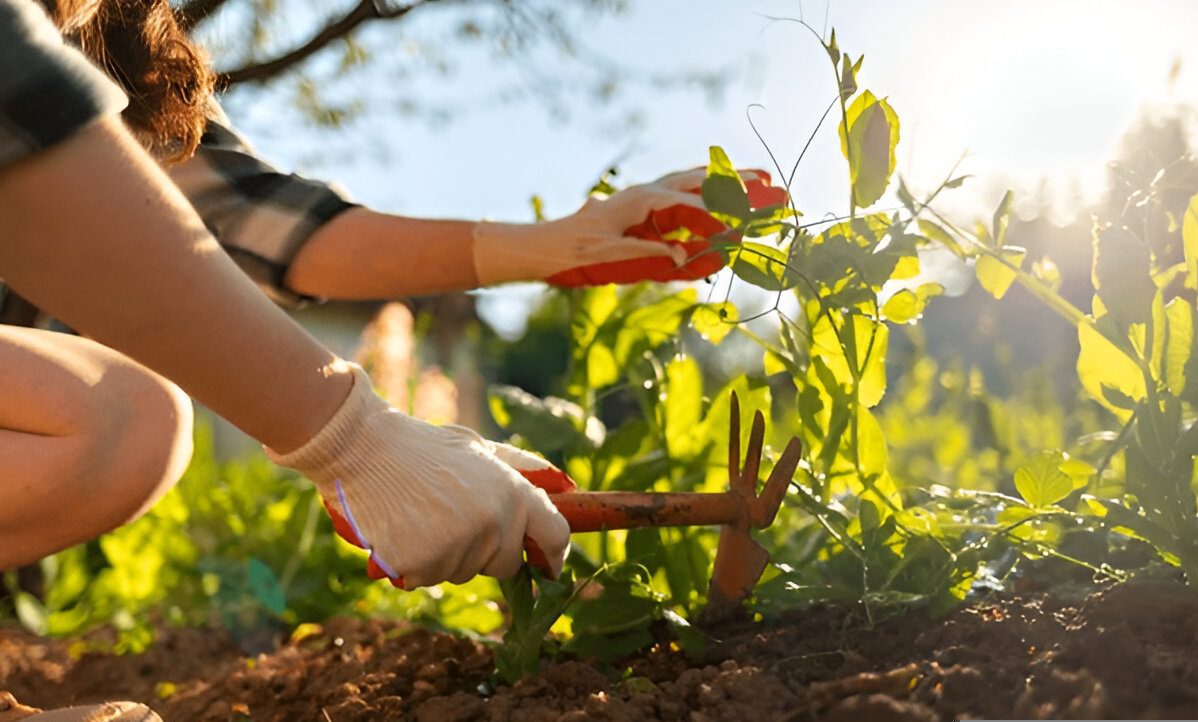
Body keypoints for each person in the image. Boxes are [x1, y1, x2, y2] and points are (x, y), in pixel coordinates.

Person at [0, 0, 781, 717]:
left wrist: (552, 245)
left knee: (111, 428)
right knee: (121, 418)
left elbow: (239, 211)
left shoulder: (106, 31)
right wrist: (352, 439)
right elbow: (32, 144)